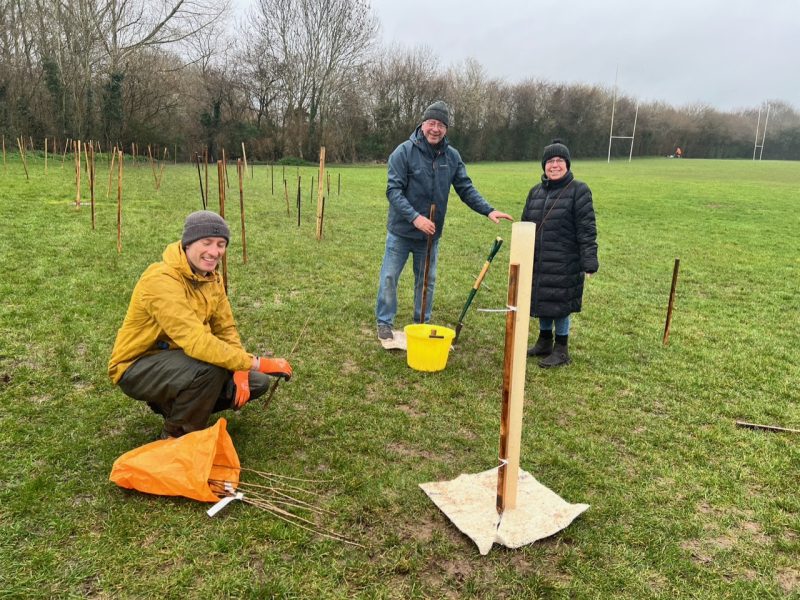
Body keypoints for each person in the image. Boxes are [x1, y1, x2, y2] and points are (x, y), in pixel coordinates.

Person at [108, 210, 293, 439]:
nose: (215, 252)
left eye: (221, 244)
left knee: (257, 382)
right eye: (207, 243)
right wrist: (254, 362)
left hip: (182, 360)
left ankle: (175, 408)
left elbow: (225, 328)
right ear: (188, 244)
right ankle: (176, 437)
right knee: (209, 368)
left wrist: (242, 369)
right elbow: (196, 342)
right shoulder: (160, 280)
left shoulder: (212, 278)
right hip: (138, 366)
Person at [375, 100, 513, 340]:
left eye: (440, 124)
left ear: (446, 129)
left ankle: (421, 323)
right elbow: (393, 191)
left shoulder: (452, 157)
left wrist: (488, 210)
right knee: (389, 277)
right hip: (401, 232)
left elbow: (465, 188)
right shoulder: (403, 152)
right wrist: (415, 218)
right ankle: (384, 322)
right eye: (431, 123)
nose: (435, 129)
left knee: (426, 281)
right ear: (423, 124)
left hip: (429, 236)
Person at [522, 139, 598, 367]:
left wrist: (589, 260)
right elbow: (525, 224)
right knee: (544, 299)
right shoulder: (535, 192)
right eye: (550, 161)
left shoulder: (579, 190)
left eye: (559, 161)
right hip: (540, 259)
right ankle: (544, 341)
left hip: (566, 260)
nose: (554, 165)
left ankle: (561, 349)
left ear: (567, 164)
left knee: (560, 304)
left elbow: (587, 228)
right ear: (544, 165)